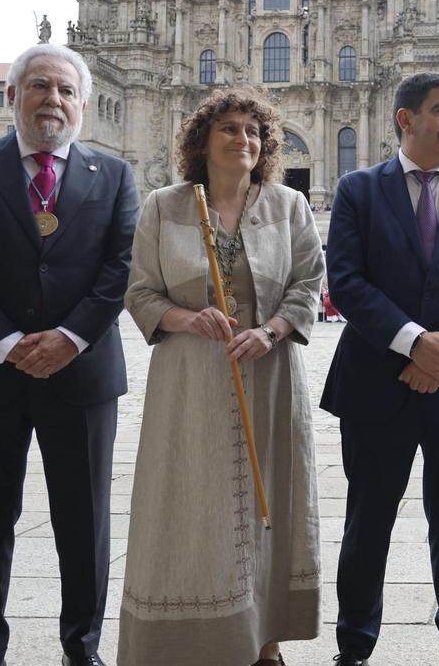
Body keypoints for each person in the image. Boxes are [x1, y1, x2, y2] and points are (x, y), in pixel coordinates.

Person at [0, 43, 138, 666]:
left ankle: (82, 650)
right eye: (40, 86)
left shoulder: (114, 175)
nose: (54, 100)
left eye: (67, 91)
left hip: (82, 372)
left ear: (85, 106)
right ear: (13, 96)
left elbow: (121, 267)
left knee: (85, 523)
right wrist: (8, 343)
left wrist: (71, 336)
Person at [118, 89, 324, 666]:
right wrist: (187, 316)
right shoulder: (164, 205)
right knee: (192, 501)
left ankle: (266, 637)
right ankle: (195, 636)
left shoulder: (289, 206)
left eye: (254, 132)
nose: (244, 140)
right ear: (202, 142)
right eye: (230, 129)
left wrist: (272, 330)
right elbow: (139, 292)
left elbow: (309, 285)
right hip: (189, 379)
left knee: (271, 503)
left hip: (270, 370)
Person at [321, 72, 439, 666]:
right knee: (368, 520)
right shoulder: (358, 189)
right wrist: (412, 343)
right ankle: (355, 644)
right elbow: (348, 281)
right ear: (404, 120)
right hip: (378, 381)